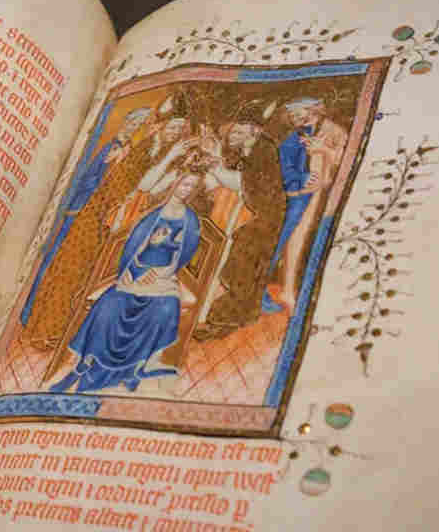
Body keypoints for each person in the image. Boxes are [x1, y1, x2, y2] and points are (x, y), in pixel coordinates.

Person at [20, 94, 195, 350]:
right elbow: (136, 184)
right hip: (98, 214)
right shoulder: (144, 147)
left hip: (117, 219)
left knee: (90, 275)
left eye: (180, 129)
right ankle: (45, 331)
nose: (175, 132)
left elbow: (150, 188)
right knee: (72, 268)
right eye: (172, 126)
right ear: (159, 126)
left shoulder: (163, 152)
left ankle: (61, 331)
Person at [49, 172, 203, 394]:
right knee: (109, 306)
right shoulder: (152, 215)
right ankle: (85, 363)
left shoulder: (190, 220)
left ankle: (136, 367)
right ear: (175, 182)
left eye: (191, 186)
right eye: (184, 183)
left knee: (165, 308)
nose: (186, 189)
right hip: (134, 272)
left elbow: (183, 254)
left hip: (163, 277)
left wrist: (159, 274)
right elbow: (134, 247)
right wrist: (134, 271)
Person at [19, 107, 150, 326]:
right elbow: (89, 179)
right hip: (79, 213)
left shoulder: (127, 150)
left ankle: (46, 318)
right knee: (53, 262)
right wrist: (111, 166)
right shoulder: (111, 148)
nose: (135, 129)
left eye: (139, 127)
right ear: (126, 123)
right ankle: (29, 311)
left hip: (94, 217)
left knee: (72, 270)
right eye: (134, 125)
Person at [192, 108, 288, 341]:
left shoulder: (264, 150)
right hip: (246, 217)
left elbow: (247, 184)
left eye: (239, 128)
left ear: (254, 131)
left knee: (241, 267)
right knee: (236, 266)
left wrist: (215, 167)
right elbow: (227, 177)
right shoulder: (242, 151)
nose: (233, 132)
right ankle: (225, 317)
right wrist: (212, 158)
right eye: (233, 128)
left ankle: (225, 320)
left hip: (262, 220)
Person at [263, 97, 347, 313]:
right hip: (302, 196)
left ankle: (299, 291)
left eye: (300, 113)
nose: (296, 118)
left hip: (327, 195)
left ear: (314, 110)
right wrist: (299, 182)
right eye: (292, 116)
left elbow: (348, 159)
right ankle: (287, 290)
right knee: (291, 238)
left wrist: (324, 151)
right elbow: (286, 166)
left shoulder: (334, 131)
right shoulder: (292, 139)